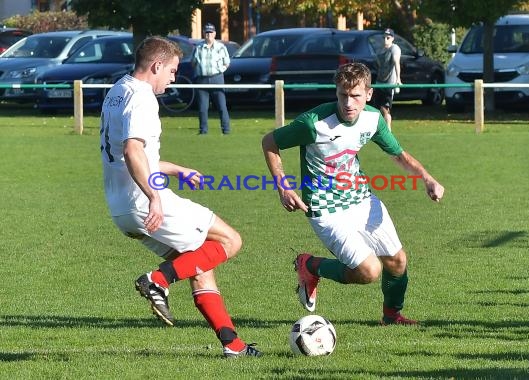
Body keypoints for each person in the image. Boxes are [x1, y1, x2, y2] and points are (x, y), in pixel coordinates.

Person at [100, 36, 260, 358]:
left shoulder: (117, 91)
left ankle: (233, 345)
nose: (174, 78)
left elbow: (132, 155)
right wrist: (154, 196)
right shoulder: (143, 97)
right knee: (230, 241)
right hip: (144, 200)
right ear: (156, 65)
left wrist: (175, 170)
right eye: (172, 71)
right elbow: (132, 151)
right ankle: (157, 279)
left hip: (120, 208)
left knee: (199, 263)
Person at [261, 62, 444, 326]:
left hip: (361, 199)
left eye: (355, 96)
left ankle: (391, 317)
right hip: (325, 209)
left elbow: (398, 155)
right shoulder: (314, 124)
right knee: (368, 271)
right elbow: (270, 142)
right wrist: (283, 186)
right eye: (342, 95)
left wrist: (427, 179)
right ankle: (310, 265)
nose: (348, 103)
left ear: (368, 94)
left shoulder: (372, 119)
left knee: (397, 261)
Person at [190, 23, 231, 135]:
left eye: (211, 32)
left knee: (222, 106)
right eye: (207, 32)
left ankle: (226, 130)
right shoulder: (198, 47)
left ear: (215, 33)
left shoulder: (221, 47)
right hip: (202, 80)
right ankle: (203, 131)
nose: (209, 35)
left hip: (217, 79)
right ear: (204, 33)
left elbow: (227, 63)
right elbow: (193, 63)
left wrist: (220, 70)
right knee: (203, 108)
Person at [375, 28, 401, 131]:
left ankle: (388, 129)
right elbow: (379, 65)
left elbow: (396, 63)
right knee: (378, 108)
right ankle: (381, 129)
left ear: (392, 39)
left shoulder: (395, 49)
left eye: (388, 38)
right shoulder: (380, 50)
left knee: (385, 108)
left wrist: (398, 79)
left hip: (389, 84)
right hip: (379, 82)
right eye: (384, 38)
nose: (385, 40)